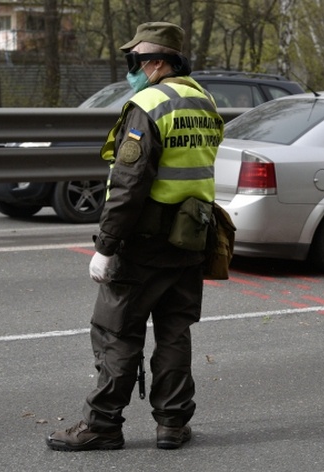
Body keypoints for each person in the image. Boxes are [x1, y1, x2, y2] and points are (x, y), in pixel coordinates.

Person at [46, 22, 224, 450]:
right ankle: (173, 424)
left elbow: (128, 184)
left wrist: (105, 247)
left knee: (117, 333)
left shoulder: (148, 105)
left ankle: (103, 426)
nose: (132, 70)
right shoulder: (204, 101)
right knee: (175, 332)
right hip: (190, 236)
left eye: (135, 62)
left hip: (143, 240)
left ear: (158, 62)